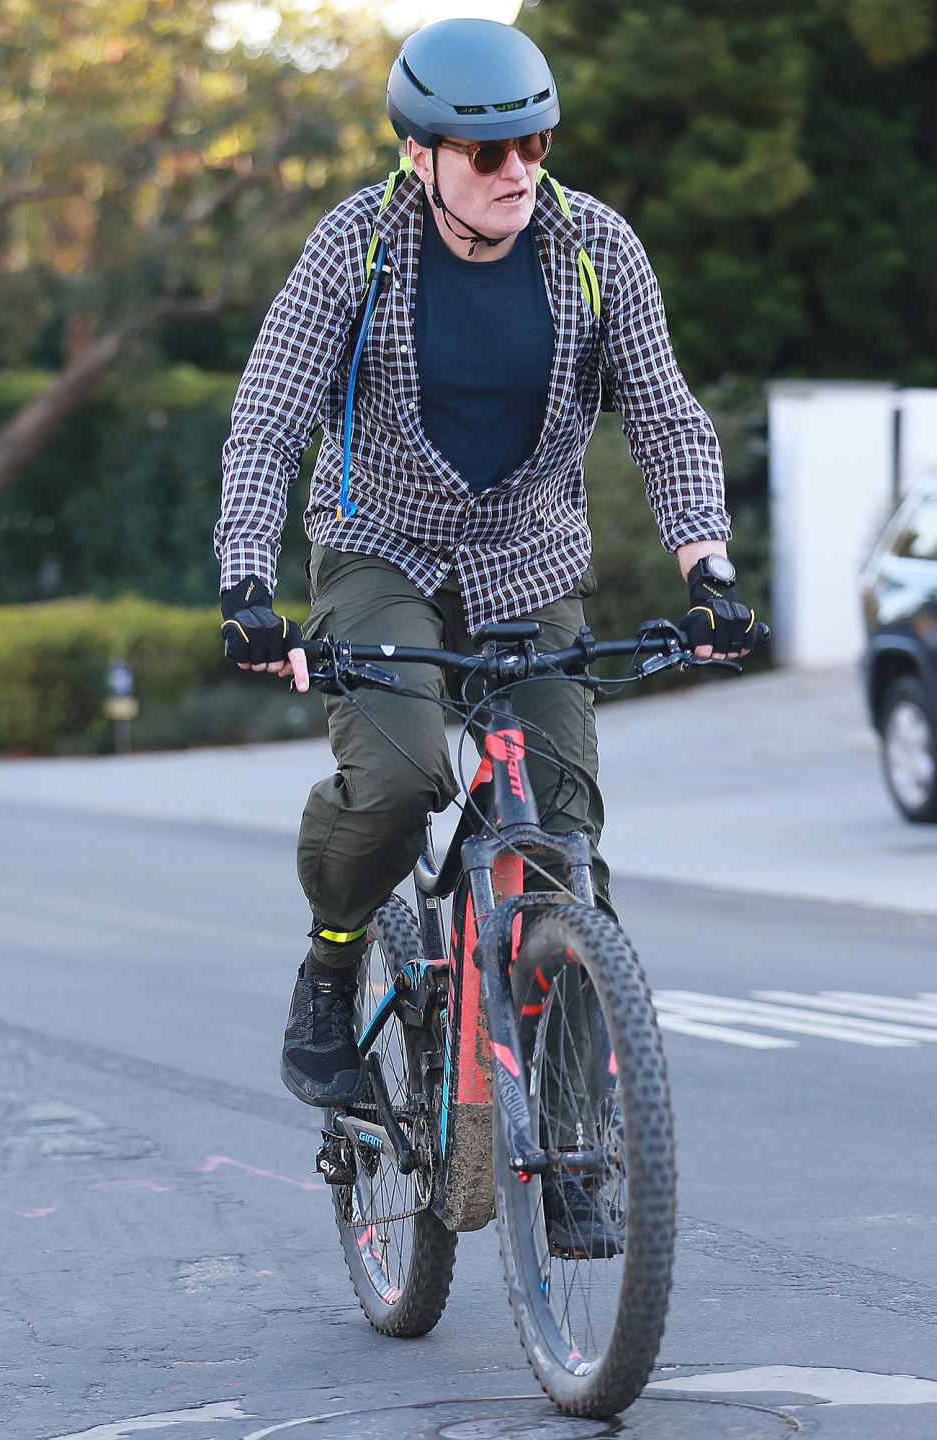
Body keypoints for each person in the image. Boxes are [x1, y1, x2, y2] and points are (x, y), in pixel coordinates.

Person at [215, 19, 761, 1113]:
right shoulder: (355, 248)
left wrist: (710, 573)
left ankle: (569, 1146)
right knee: (406, 777)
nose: (517, 171)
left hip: (528, 556)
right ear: (419, 157)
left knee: (564, 841)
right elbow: (270, 417)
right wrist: (245, 586)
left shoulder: (597, 248)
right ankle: (331, 968)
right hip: (382, 546)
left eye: (536, 146)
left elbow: (663, 416)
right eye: (486, 154)